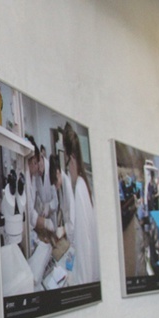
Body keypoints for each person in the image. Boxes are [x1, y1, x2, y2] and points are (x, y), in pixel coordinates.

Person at [63, 122, 100, 285]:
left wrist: (80, 286)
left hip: (88, 279)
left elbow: (85, 247)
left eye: (66, 164)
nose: (67, 170)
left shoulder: (79, 188)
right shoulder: (84, 184)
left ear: (71, 159)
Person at [49, 153, 74, 240]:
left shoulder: (68, 186)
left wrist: (63, 230)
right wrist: (58, 224)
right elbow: (62, 208)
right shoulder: (61, 184)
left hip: (74, 234)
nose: (56, 186)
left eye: (55, 183)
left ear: (58, 172)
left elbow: (73, 222)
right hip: (69, 234)